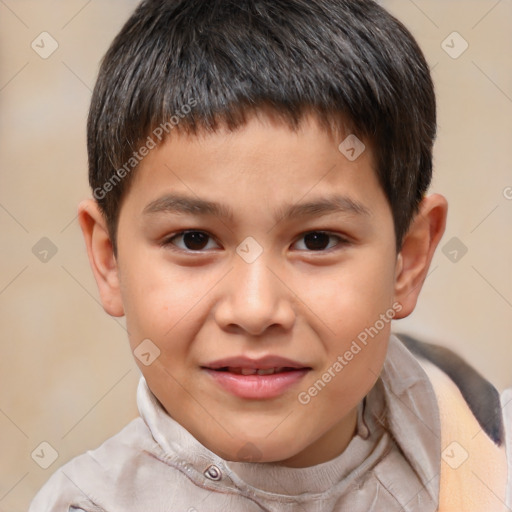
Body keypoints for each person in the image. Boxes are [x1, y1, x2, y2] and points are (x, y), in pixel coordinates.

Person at [29, 0, 511, 510]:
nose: (256, 310)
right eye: (194, 240)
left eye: (317, 240)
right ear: (109, 260)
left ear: (407, 260)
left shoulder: (486, 452)